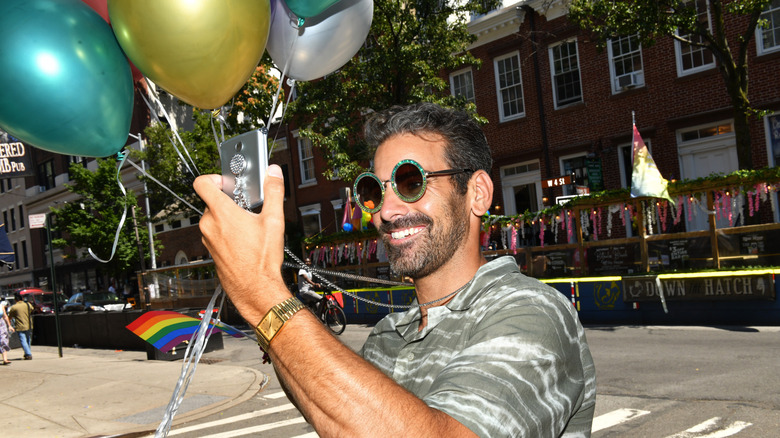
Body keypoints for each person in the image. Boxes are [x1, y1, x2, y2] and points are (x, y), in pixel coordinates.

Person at [194, 102, 596, 437]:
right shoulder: (388, 336)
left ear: (477, 193)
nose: (385, 212)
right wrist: (257, 293)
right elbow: (346, 420)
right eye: (373, 190)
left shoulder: (533, 313)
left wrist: (262, 292)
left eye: (410, 181)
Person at [8, 292, 34, 360]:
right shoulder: (27, 304)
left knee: (23, 340)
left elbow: (10, 317)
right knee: (28, 339)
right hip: (29, 324)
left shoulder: (14, 307)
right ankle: (27, 353)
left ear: (15, 299)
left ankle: (28, 353)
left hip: (20, 325)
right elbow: (32, 309)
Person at [0, 298, 13, 364]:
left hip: (1, 324)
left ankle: (5, 359)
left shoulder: (1, 306)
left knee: (3, 340)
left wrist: (9, 326)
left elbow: (5, 316)